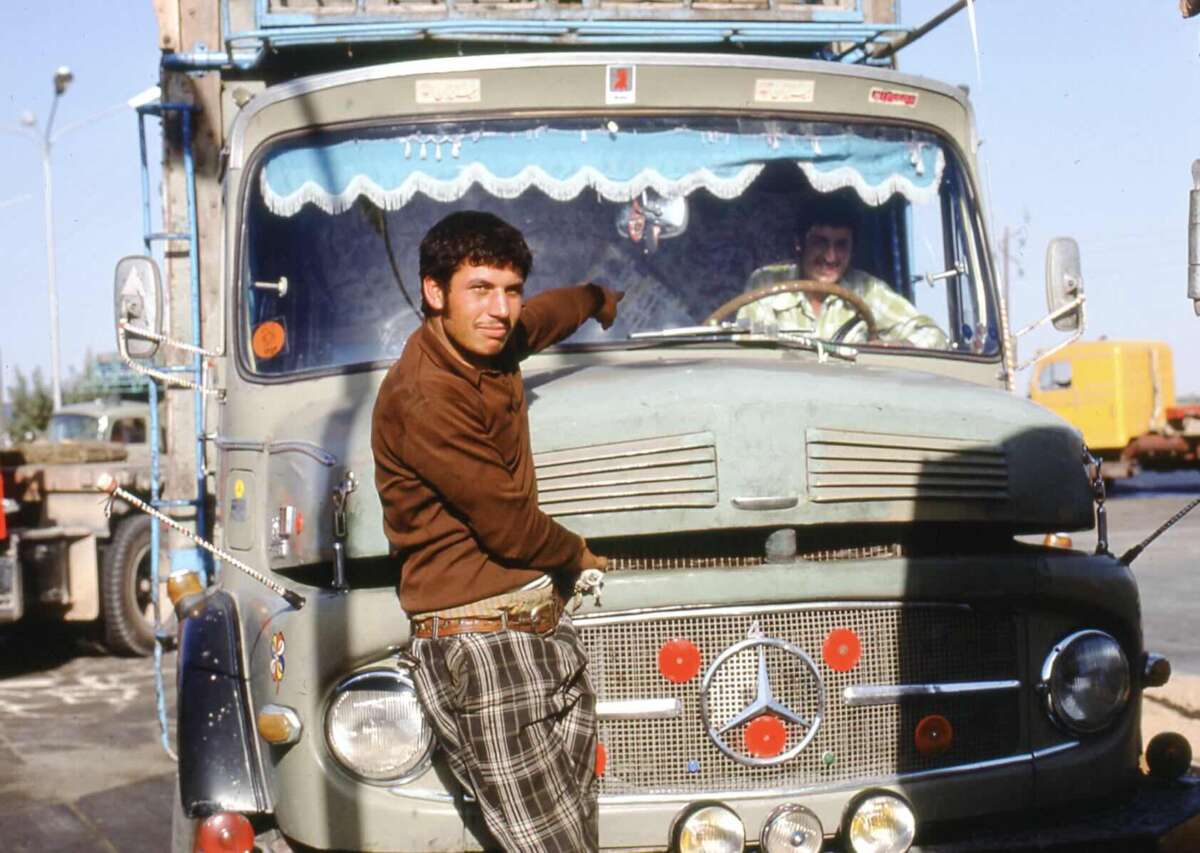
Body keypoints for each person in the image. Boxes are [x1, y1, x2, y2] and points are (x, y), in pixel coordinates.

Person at [371, 210, 623, 852]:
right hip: (484, 653)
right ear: (435, 293)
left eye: (510, 290)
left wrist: (595, 300)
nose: (501, 309)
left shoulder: (494, 338)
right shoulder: (425, 396)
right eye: (480, 289)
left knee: (575, 838)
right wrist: (580, 554)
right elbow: (508, 526)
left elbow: (547, 314)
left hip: (537, 633)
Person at [736, 197, 947, 348]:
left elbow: (933, 335)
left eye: (841, 245)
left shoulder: (867, 289)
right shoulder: (766, 283)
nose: (830, 257)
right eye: (820, 242)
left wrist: (900, 345)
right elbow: (752, 347)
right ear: (799, 244)